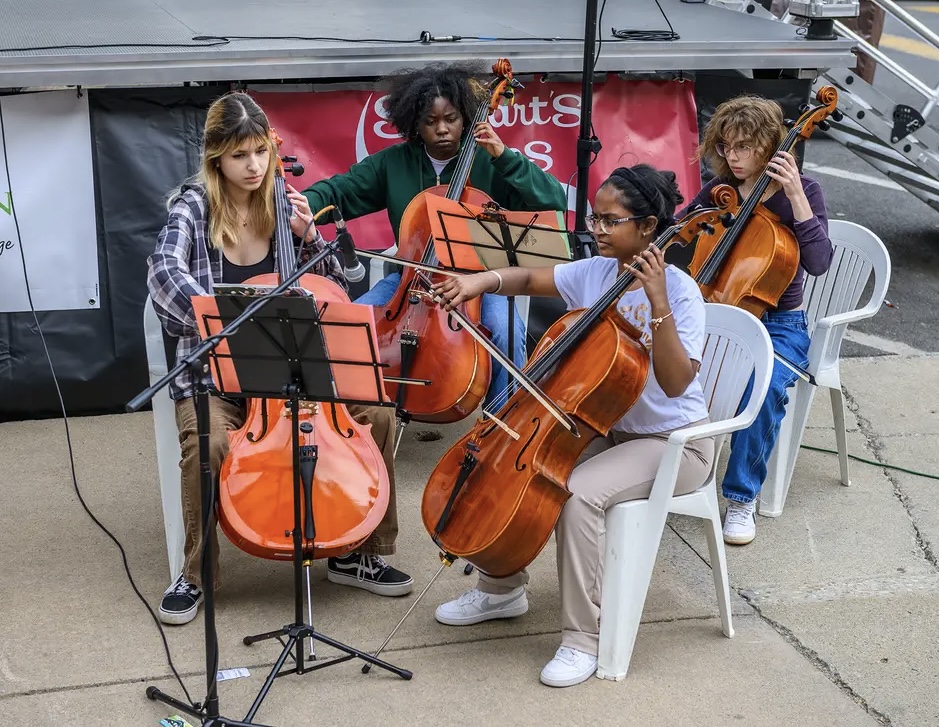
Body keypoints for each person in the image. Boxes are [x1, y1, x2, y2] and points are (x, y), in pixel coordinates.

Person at [428, 164, 715, 688]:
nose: (598, 229)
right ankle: (502, 588)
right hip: (605, 426)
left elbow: (676, 385)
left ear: (649, 228)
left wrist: (656, 304)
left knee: (579, 492)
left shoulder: (679, 292)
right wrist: (478, 281)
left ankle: (583, 638)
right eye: (595, 218)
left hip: (673, 443)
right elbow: (529, 277)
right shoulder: (596, 273)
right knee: (520, 465)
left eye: (611, 221)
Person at [147, 92, 413, 626]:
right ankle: (195, 574)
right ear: (216, 157)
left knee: (378, 416)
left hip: (295, 372)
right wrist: (216, 321)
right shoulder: (194, 206)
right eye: (240, 155)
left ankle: (357, 552)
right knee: (208, 441)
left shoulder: (285, 201)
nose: (254, 167)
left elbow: (342, 285)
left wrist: (311, 238)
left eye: (261, 153)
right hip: (217, 373)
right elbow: (162, 271)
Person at [302, 62, 568, 410]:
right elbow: (341, 190)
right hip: (410, 281)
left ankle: (500, 421)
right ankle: (356, 416)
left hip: (480, 280)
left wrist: (505, 159)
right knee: (350, 324)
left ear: (467, 117)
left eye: (452, 119)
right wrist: (302, 206)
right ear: (415, 124)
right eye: (430, 121)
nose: (442, 129)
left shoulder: (491, 161)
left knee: (504, 332)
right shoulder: (393, 163)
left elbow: (554, 201)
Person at [683, 94, 833, 546]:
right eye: (727, 146)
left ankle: (741, 497)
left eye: (745, 146)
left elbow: (821, 262)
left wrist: (793, 198)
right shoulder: (719, 191)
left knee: (763, 390)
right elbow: (680, 237)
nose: (734, 157)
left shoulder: (802, 192)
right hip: (716, 312)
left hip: (779, 324)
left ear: (770, 145)